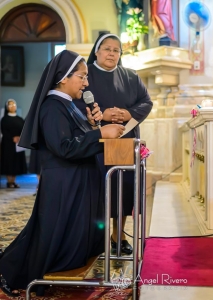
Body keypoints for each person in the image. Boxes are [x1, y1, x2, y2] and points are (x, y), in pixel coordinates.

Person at [0, 50, 125, 297]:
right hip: (63, 184)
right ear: (64, 78)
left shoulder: (68, 105)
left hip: (76, 182)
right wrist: (100, 134)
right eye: (83, 77)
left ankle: (60, 268)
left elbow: (78, 139)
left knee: (61, 235)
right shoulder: (53, 106)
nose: (87, 83)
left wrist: (93, 126)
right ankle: (14, 272)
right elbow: (64, 147)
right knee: (47, 235)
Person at [75, 33, 153, 255]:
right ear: (97, 51)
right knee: (96, 188)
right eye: (107, 49)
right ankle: (94, 238)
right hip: (95, 142)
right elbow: (74, 103)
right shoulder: (84, 75)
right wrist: (104, 115)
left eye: (116, 50)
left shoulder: (130, 76)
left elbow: (146, 102)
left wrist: (128, 113)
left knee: (123, 189)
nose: (111, 53)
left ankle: (118, 236)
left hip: (124, 142)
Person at [0, 99, 27, 188]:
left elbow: (23, 130)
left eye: (13, 104)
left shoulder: (20, 119)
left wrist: (19, 137)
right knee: (8, 162)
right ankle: (9, 181)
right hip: (8, 144)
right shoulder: (4, 119)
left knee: (16, 162)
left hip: (17, 143)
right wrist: (13, 137)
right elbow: (4, 131)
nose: (12, 106)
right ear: (7, 107)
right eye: (10, 105)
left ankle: (13, 181)